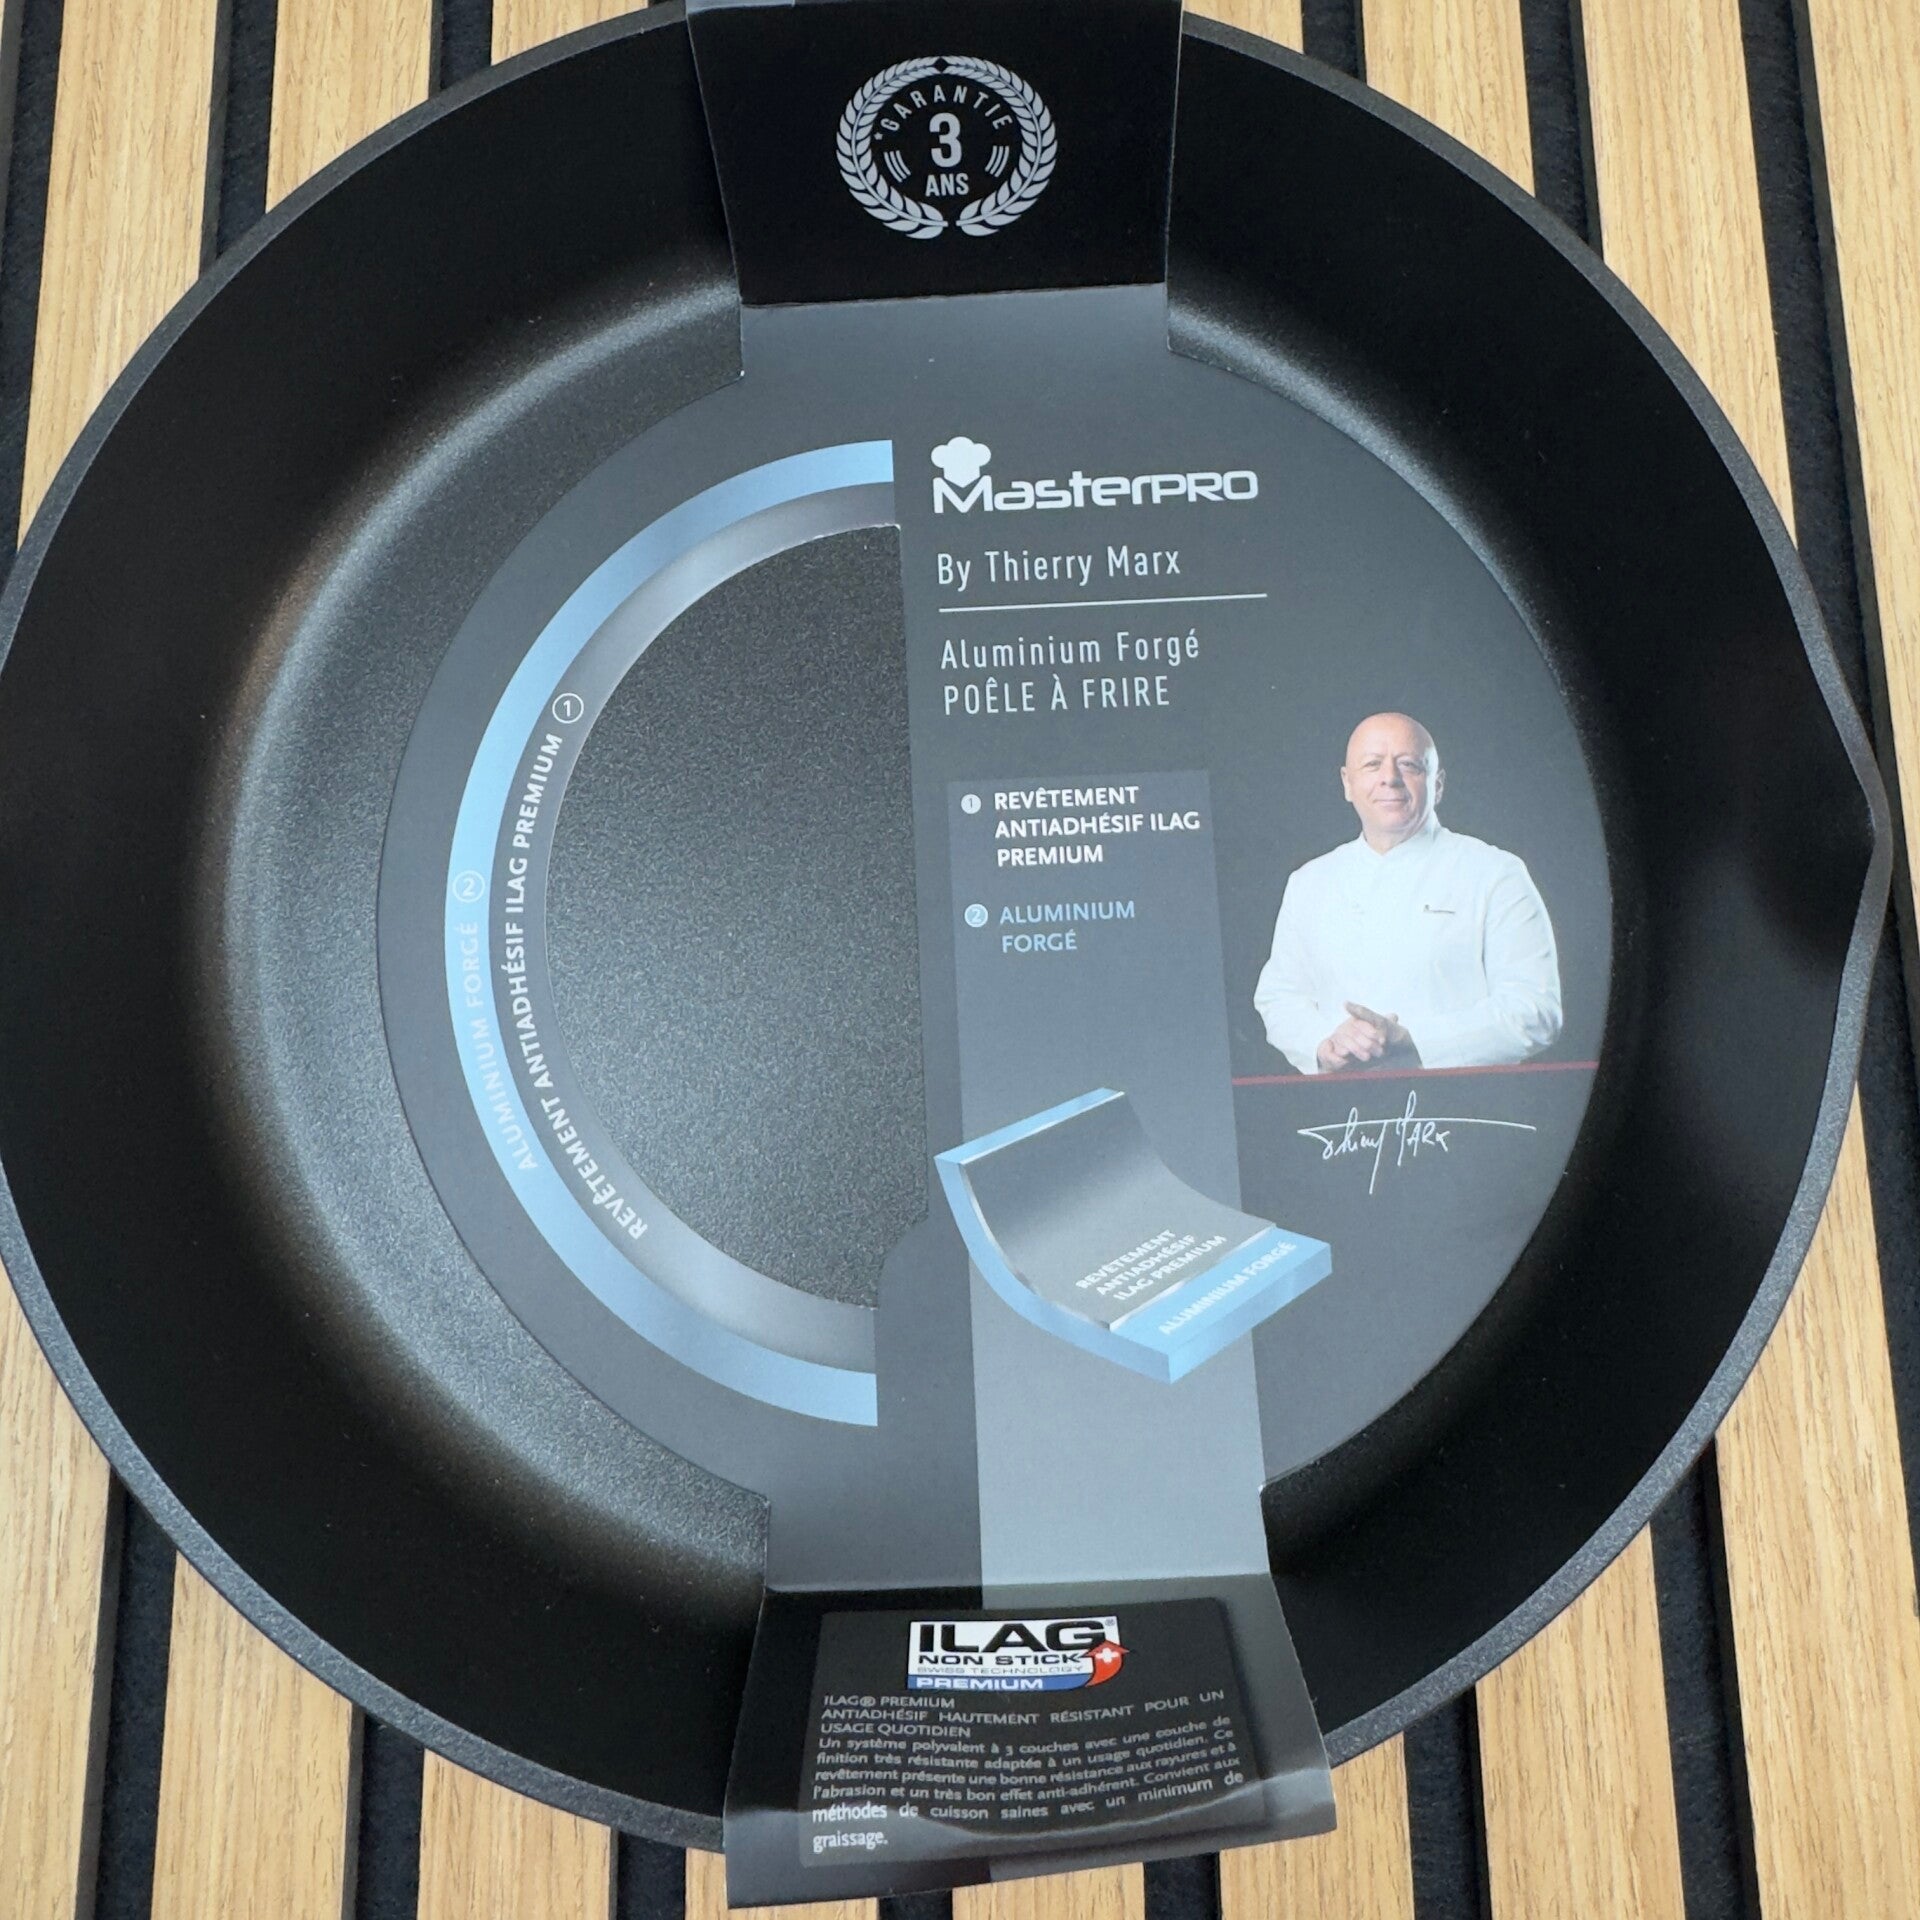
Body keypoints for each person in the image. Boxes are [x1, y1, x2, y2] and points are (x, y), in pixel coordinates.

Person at [1254, 712, 1563, 1075]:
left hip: (1466, 1097)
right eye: (1372, 764)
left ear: (1438, 784)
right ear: (1347, 783)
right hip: (1340, 1099)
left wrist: (1414, 1041)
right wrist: (1323, 1044)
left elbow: (1535, 1012)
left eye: (1409, 765)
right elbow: (1280, 996)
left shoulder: (1494, 873)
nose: (1390, 778)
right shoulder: (1309, 882)